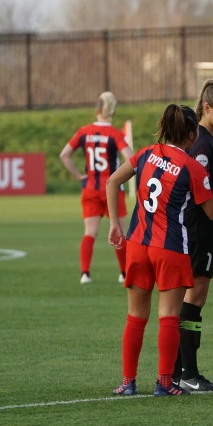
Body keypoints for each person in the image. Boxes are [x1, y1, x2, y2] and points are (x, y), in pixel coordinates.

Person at [106, 104, 213, 397]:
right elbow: (212, 213)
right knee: (169, 317)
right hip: (171, 247)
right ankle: (164, 383)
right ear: (191, 134)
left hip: (137, 244)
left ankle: (127, 382)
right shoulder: (192, 167)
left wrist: (115, 224)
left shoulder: (146, 153)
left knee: (135, 317)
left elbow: (112, 181)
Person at [173, 79, 213, 393]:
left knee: (190, 299)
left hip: (200, 231)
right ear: (207, 108)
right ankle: (188, 372)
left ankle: (176, 373)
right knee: (193, 299)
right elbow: (207, 203)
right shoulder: (202, 145)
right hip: (198, 231)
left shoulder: (208, 140)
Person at [59, 92, 133, 285]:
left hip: (90, 188)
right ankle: (124, 274)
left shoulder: (84, 132)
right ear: (113, 111)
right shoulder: (115, 134)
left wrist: (78, 175)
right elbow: (131, 159)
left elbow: (64, 154)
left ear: (97, 110)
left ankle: (85, 274)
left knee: (90, 232)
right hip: (113, 190)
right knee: (119, 232)